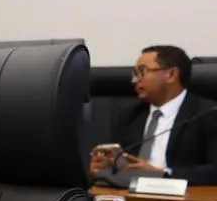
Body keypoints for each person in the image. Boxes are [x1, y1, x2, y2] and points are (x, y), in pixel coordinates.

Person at [90, 45, 217, 184]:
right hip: (130, 197)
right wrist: (104, 167)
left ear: (171, 74)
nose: (134, 80)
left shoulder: (208, 113)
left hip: (181, 200)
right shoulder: (131, 114)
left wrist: (163, 173)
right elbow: (121, 162)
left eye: (142, 71)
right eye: (135, 73)